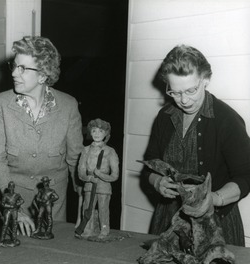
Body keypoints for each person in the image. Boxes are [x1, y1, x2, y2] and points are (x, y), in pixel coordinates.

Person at [143, 44, 250, 246]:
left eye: (191, 90)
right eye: (175, 92)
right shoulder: (165, 117)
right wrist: (157, 181)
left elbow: (246, 175)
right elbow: (149, 165)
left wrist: (214, 199)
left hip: (216, 221)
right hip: (168, 220)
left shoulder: (226, 118)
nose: (184, 100)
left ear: (205, 79)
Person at [0, 36, 84, 237]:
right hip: (11, 202)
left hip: (53, 207)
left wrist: (87, 200)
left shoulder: (68, 106)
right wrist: (14, 208)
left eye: (22, 68)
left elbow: (75, 160)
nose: (14, 73)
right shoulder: (1, 104)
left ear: (43, 75)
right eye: (14, 66)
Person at [78, 119, 119, 239]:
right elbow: (81, 171)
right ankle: (87, 229)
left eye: (100, 131)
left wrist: (100, 175)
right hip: (90, 185)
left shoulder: (110, 151)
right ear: (90, 133)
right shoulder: (85, 150)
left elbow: (115, 175)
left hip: (104, 186)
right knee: (87, 208)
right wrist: (90, 178)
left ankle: (104, 230)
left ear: (106, 134)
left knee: (103, 209)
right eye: (94, 131)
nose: (97, 134)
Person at [0, 181, 24, 247]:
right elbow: (2, 204)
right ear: (8, 187)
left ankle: (14, 239)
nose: (11, 188)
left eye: (12, 186)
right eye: (10, 186)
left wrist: (17, 204)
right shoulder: (5, 195)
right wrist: (9, 206)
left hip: (14, 211)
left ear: (14, 187)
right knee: (5, 224)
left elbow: (22, 200)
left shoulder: (17, 195)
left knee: (15, 224)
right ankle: (2, 239)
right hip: (7, 211)